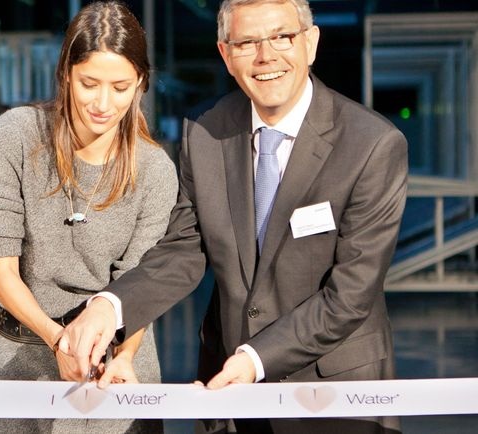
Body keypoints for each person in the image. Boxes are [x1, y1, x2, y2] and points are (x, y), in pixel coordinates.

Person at [61, 0, 408, 433]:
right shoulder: (206, 131)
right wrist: (109, 308)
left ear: (311, 43)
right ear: (225, 53)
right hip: (231, 396)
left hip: (335, 396)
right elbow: (184, 250)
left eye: (282, 37)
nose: (266, 57)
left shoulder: (372, 145)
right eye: (246, 42)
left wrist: (255, 358)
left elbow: (351, 294)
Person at [0, 1, 177, 433]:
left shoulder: (155, 169)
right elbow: (1, 271)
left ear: (140, 82)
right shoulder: (16, 136)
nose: (103, 103)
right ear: (66, 73)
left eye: (121, 87)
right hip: (24, 358)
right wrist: (57, 339)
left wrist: (122, 357)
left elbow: (143, 281)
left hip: (117, 364)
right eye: (89, 83)